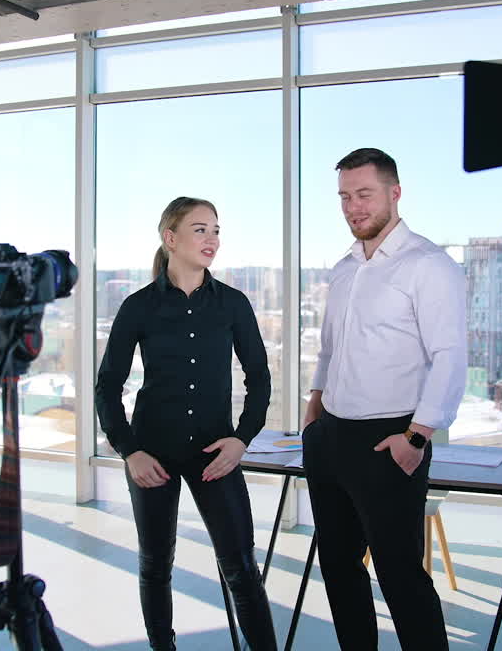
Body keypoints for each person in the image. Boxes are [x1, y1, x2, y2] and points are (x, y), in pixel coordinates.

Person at [302, 148, 468, 651]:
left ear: (395, 193)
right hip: (331, 437)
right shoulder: (344, 269)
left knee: (400, 576)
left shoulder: (429, 265)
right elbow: (330, 349)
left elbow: (449, 357)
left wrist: (417, 437)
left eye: (365, 194)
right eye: (345, 197)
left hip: (391, 438)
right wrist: (314, 417)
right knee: (338, 566)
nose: (354, 207)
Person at [95, 196, 278, 651]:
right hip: (152, 452)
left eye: (216, 230)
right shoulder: (137, 306)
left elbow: (259, 378)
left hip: (215, 453)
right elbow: (107, 386)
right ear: (171, 238)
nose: (211, 238)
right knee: (155, 565)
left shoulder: (233, 304)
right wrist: (130, 451)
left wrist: (241, 440)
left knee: (241, 569)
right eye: (200, 229)